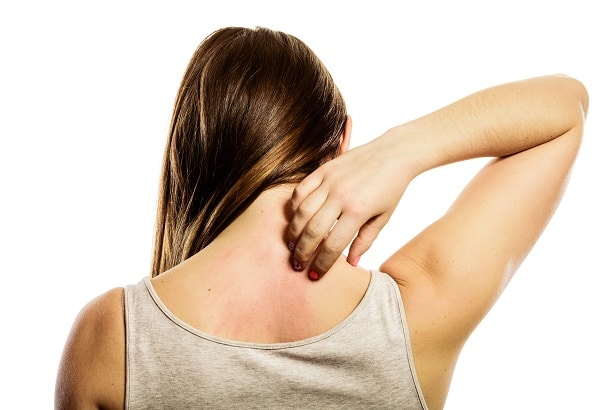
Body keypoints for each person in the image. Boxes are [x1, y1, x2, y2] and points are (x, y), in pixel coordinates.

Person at [55, 26, 588, 410]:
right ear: (342, 143)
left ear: (191, 156)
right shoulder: (413, 315)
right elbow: (566, 109)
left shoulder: (113, 337)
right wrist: (403, 151)